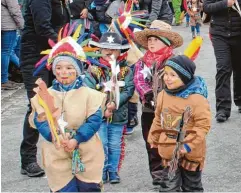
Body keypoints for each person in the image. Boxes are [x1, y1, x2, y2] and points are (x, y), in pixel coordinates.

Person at [29, 32, 106, 192]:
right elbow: (41, 120)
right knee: (63, 188)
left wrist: (77, 139)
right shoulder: (45, 95)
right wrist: (53, 136)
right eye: (59, 68)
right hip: (56, 150)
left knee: (89, 187)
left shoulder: (89, 94)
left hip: (86, 149)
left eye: (69, 67)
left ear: (77, 70)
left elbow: (94, 120)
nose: (63, 72)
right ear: (53, 70)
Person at [20, 0, 71, 177]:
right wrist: (64, 47)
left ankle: (61, 147)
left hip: (51, 52)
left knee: (59, 101)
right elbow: (42, 26)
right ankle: (28, 158)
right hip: (36, 55)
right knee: (37, 104)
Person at [148, 55, 211, 192]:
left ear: (185, 77)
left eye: (173, 75)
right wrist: (153, 137)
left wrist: (187, 145)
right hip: (168, 149)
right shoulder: (163, 95)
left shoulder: (197, 99)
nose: (167, 78)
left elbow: (202, 126)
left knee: (191, 186)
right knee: (168, 187)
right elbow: (158, 118)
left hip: (191, 152)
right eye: (165, 73)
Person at [133, 20, 183, 187]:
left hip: (170, 109)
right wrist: (147, 94)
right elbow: (138, 79)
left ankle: (171, 170)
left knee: (170, 140)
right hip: (149, 109)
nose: (151, 42)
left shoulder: (175, 61)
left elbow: (181, 81)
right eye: (149, 40)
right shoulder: (142, 61)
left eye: (156, 39)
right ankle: (157, 173)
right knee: (151, 141)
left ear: (166, 42)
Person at [84, 32, 134, 184]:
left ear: (120, 51)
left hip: (118, 115)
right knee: (102, 143)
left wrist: (115, 104)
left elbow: (128, 90)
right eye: (105, 48)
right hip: (99, 115)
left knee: (114, 144)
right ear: (99, 50)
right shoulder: (93, 70)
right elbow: (89, 91)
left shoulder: (126, 70)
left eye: (113, 49)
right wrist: (103, 107)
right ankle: (102, 170)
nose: (109, 52)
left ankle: (113, 171)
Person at [1, 0, 25, 90]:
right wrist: (22, 26)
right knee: (6, 51)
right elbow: (15, 10)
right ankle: (4, 79)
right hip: (7, 25)